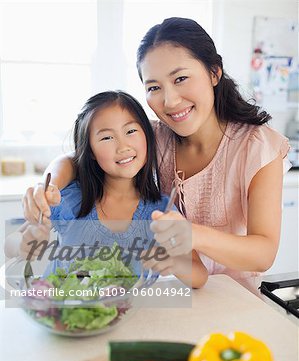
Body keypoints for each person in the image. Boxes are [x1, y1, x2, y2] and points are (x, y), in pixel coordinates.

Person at [22, 17, 290, 280]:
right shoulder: (155, 135)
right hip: (174, 298)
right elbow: (78, 157)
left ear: (214, 72)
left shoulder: (258, 146)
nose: (170, 101)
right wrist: (47, 189)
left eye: (181, 78)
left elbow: (263, 253)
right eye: (154, 87)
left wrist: (193, 234)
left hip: (233, 299)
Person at [5, 90, 207, 288]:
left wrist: (174, 262)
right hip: (61, 314)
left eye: (130, 131)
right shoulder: (70, 199)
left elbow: (199, 276)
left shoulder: (162, 211)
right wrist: (25, 244)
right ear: (90, 151)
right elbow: (11, 245)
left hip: (128, 317)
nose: (122, 146)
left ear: (147, 135)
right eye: (107, 138)